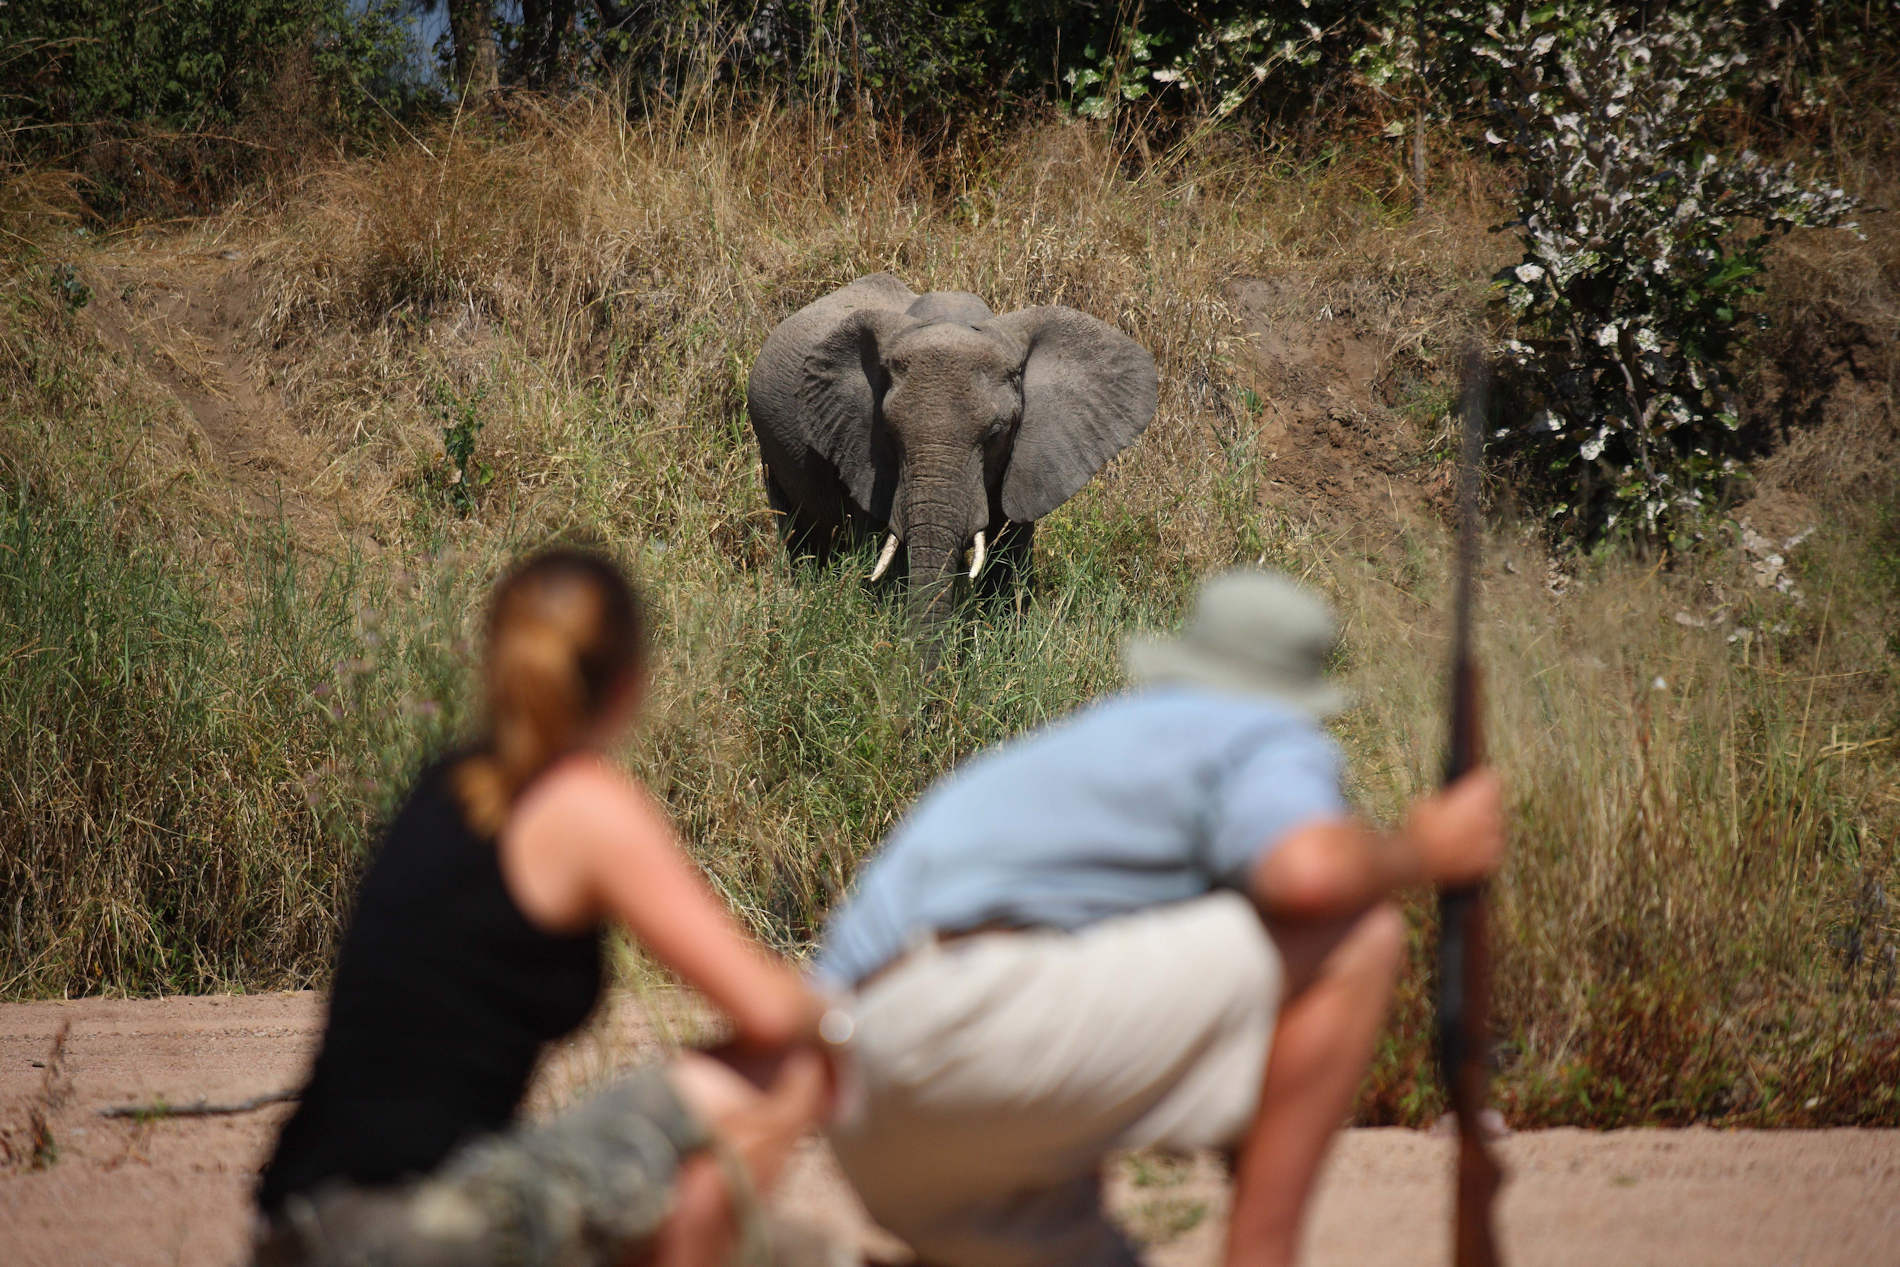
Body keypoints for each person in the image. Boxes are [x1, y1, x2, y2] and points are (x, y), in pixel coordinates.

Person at [814, 569, 1506, 1267]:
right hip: (969, 1037)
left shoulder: (1084, 742)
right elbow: (1308, 875)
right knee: (1355, 938)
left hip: (861, 1103)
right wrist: (1423, 849)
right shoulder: (1258, 730)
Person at [254, 548, 845, 1267]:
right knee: (787, 1066)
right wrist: (865, 1014)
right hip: (409, 1234)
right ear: (629, 683)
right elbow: (770, 1012)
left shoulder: (448, 783)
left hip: (294, 1226)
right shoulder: (585, 804)